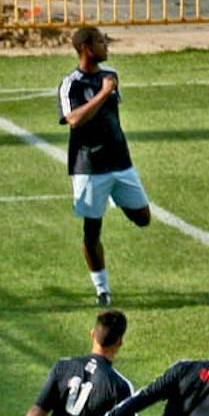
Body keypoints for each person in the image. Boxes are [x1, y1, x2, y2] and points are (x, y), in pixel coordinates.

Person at [60, 26, 152, 306]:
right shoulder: (71, 84)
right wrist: (101, 94)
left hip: (121, 162)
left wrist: (107, 89)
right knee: (92, 231)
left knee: (143, 217)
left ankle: (115, 197)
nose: (106, 45)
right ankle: (102, 289)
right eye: (101, 41)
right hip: (89, 166)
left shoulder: (111, 76)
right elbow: (74, 120)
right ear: (86, 48)